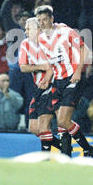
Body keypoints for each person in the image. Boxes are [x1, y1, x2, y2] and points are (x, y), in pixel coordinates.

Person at [35, 5, 93, 157]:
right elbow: (51, 62)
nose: (41, 23)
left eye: (44, 19)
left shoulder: (65, 31)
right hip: (58, 80)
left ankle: (87, 148)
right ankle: (66, 152)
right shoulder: (41, 39)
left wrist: (78, 70)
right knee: (60, 122)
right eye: (39, 20)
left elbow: (85, 50)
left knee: (62, 120)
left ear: (52, 19)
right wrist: (48, 77)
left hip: (72, 78)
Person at [18, 17, 61, 151]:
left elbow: (57, 65)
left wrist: (48, 71)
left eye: (28, 28)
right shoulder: (25, 44)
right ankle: (64, 147)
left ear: (38, 29)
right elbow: (23, 67)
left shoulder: (50, 42)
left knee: (43, 127)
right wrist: (41, 67)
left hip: (52, 86)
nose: (25, 31)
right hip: (38, 88)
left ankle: (46, 160)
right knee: (34, 128)